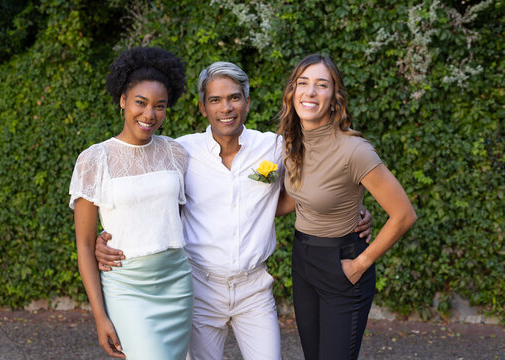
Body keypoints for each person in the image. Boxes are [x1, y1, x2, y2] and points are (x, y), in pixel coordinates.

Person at [95, 61, 373, 360]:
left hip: (254, 290)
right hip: (198, 287)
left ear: (247, 102)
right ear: (203, 107)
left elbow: (319, 177)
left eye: (234, 97)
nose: (225, 107)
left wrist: (353, 210)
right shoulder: (179, 151)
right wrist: (108, 236)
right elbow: (145, 198)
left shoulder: (275, 147)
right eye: (215, 100)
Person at [276, 53, 417, 359]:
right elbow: (294, 198)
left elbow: (404, 214)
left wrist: (359, 265)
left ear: (334, 97)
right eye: (303, 83)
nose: (310, 92)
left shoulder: (355, 150)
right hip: (302, 260)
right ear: (293, 91)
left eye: (321, 85)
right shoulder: (291, 142)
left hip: (342, 263)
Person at [69, 46, 193, 359]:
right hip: (127, 287)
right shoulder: (94, 159)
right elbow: (84, 246)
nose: (149, 114)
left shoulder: (176, 153)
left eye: (160, 106)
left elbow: (172, 219)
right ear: (123, 100)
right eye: (141, 102)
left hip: (176, 283)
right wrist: (100, 317)